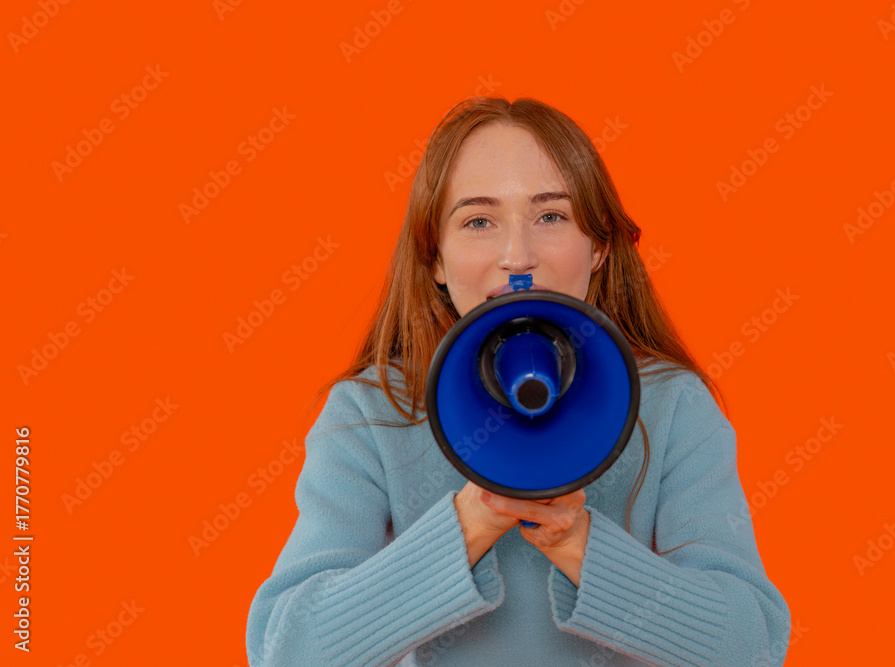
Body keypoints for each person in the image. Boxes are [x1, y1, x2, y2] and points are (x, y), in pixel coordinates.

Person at [246, 96, 791, 666]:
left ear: (599, 245)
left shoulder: (672, 405)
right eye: (478, 221)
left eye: (550, 216)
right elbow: (286, 653)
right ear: (435, 258)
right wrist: (472, 522)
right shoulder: (370, 413)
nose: (517, 257)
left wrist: (578, 543)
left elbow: (750, 648)